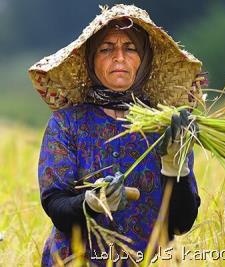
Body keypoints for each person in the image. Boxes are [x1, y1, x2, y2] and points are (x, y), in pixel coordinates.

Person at [29, 4, 207, 266]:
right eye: (106, 49)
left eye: (130, 48)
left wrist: (174, 168)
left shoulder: (166, 128)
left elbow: (181, 223)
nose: (119, 57)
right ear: (91, 59)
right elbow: (56, 205)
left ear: (144, 59)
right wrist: (92, 202)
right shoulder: (67, 123)